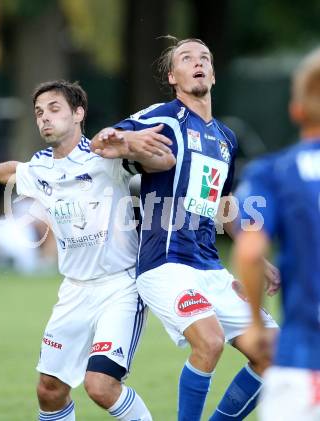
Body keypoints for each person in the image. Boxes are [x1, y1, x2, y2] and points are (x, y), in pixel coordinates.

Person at [0, 80, 174, 421]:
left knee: (101, 386)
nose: (44, 118)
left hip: (119, 287)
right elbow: (15, 171)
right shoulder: (41, 165)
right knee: (49, 390)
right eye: (38, 113)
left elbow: (160, 163)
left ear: (78, 113)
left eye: (53, 109)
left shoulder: (104, 154)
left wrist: (131, 142)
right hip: (74, 290)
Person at [91, 37, 279, 420]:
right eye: (186, 58)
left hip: (209, 267)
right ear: (172, 76)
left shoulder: (225, 138)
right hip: (166, 265)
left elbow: (222, 205)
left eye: (204, 58)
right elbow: (102, 142)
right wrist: (123, 140)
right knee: (209, 343)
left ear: (212, 73)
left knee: (273, 351)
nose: (198, 63)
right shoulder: (164, 117)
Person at [234, 48, 320, 420]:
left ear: (296, 110)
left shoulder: (271, 172)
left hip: (301, 362)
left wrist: (255, 324)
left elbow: (251, 250)